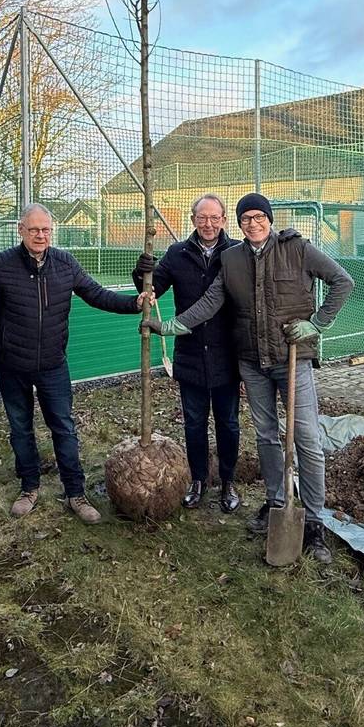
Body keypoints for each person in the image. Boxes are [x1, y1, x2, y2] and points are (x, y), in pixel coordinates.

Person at [143, 193, 354, 563]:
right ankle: (275, 503)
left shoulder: (297, 248)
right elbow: (210, 302)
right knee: (267, 436)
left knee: (305, 437)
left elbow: (342, 282)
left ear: (269, 219)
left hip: (292, 359)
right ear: (237, 224)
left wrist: (317, 324)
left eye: (259, 217)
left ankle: (316, 520)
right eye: (246, 219)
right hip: (252, 363)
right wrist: (172, 326)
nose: (253, 224)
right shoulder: (233, 258)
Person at [0, 202, 150, 524]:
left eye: (46, 230)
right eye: (34, 229)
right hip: (12, 363)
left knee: (64, 428)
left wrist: (134, 304)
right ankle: (29, 487)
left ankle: (75, 493)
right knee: (20, 428)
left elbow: (97, 294)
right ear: (21, 230)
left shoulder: (65, 263)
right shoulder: (1, 265)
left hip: (53, 363)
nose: (41, 235)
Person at [132, 194, 242, 512]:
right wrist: (142, 274)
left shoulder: (236, 253)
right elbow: (153, 288)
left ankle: (228, 481)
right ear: (193, 220)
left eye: (215, 218)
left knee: (229, 423)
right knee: (194, 423)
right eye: (202, 218)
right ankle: (197, 480)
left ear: (223, 220)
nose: (208, 224)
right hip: (191, 354)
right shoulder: (177, 254)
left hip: (226, 355)